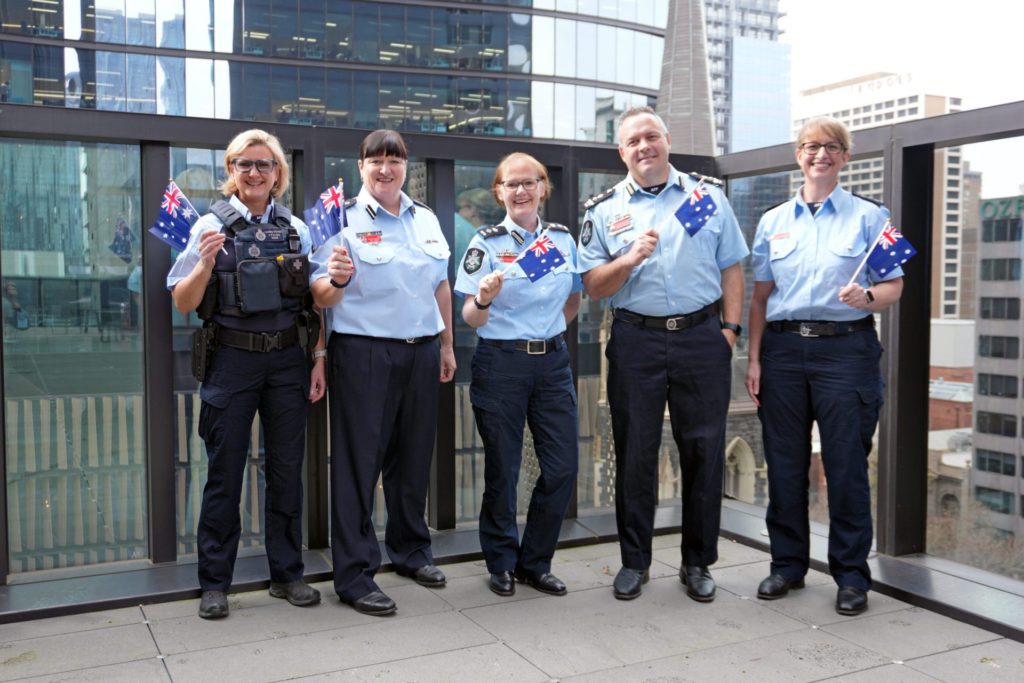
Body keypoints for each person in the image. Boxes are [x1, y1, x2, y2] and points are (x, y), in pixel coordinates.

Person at [578, 106, 748, 602]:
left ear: (667, 140)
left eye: (651, 136)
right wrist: (628, 259)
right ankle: (635, 562)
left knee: (704, 452)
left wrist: (730, 332)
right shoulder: (604, 211)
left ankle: (698, 563)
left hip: (702, 338)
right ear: (622, 152)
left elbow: (732, 269)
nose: (644, 147)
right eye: (633, 141)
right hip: (636, 339)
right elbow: (592, 285)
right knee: (635, 453)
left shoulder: (707, 196)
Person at [746, 116, 903, 617]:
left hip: (846, 352)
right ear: (799, 154)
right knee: (786, 466)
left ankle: (852, 577)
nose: (821, 155)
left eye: (832, 147)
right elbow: (760, 298)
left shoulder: (872, 217)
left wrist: (869, 295)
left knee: (846, 468)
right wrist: (753, 360)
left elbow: (894, 286)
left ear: (845, 158)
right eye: (812, 146)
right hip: (784, 353)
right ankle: (787, 567)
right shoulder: (773, 221)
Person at [167, 129, 326, 620]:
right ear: (230, 172)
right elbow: (182, 301)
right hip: (231, 361)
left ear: (278, 173)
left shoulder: (298, 228)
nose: (254, 173)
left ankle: (287, 574)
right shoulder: (207, 227)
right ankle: (215, 583)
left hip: (286, 361)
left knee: (285, 472)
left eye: (264, 164)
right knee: (224, 474)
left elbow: (317, 302)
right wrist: (206, 263)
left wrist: (318, 358)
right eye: (244, 164)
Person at [311, 129, 456, 616]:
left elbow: (441, 285)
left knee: (414, 459)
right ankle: (353, 575)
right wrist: (335, 279)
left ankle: (412, 551)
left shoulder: (427, 219)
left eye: (394, 159)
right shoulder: (337, 218)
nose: (385, 168)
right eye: (376, 160)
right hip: (364, 352)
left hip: (421, 351)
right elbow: (318, 297)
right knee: (358, 465)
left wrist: (447, 345)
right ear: (361, 166)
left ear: (405, 166)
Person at [454, 153, 582, 598]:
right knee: (503, 470)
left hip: (552, 363)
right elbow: (470, 316)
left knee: (563, 467)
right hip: (501, 364)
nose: (521, 191)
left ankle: (536, 561)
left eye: (529, 183)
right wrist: (485, 299)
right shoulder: (484, 244)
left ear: (543, 187)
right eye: (512, 184)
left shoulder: (563, 241)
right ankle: (502, 562)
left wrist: (545, 335)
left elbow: (573, 300)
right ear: (499, 192)